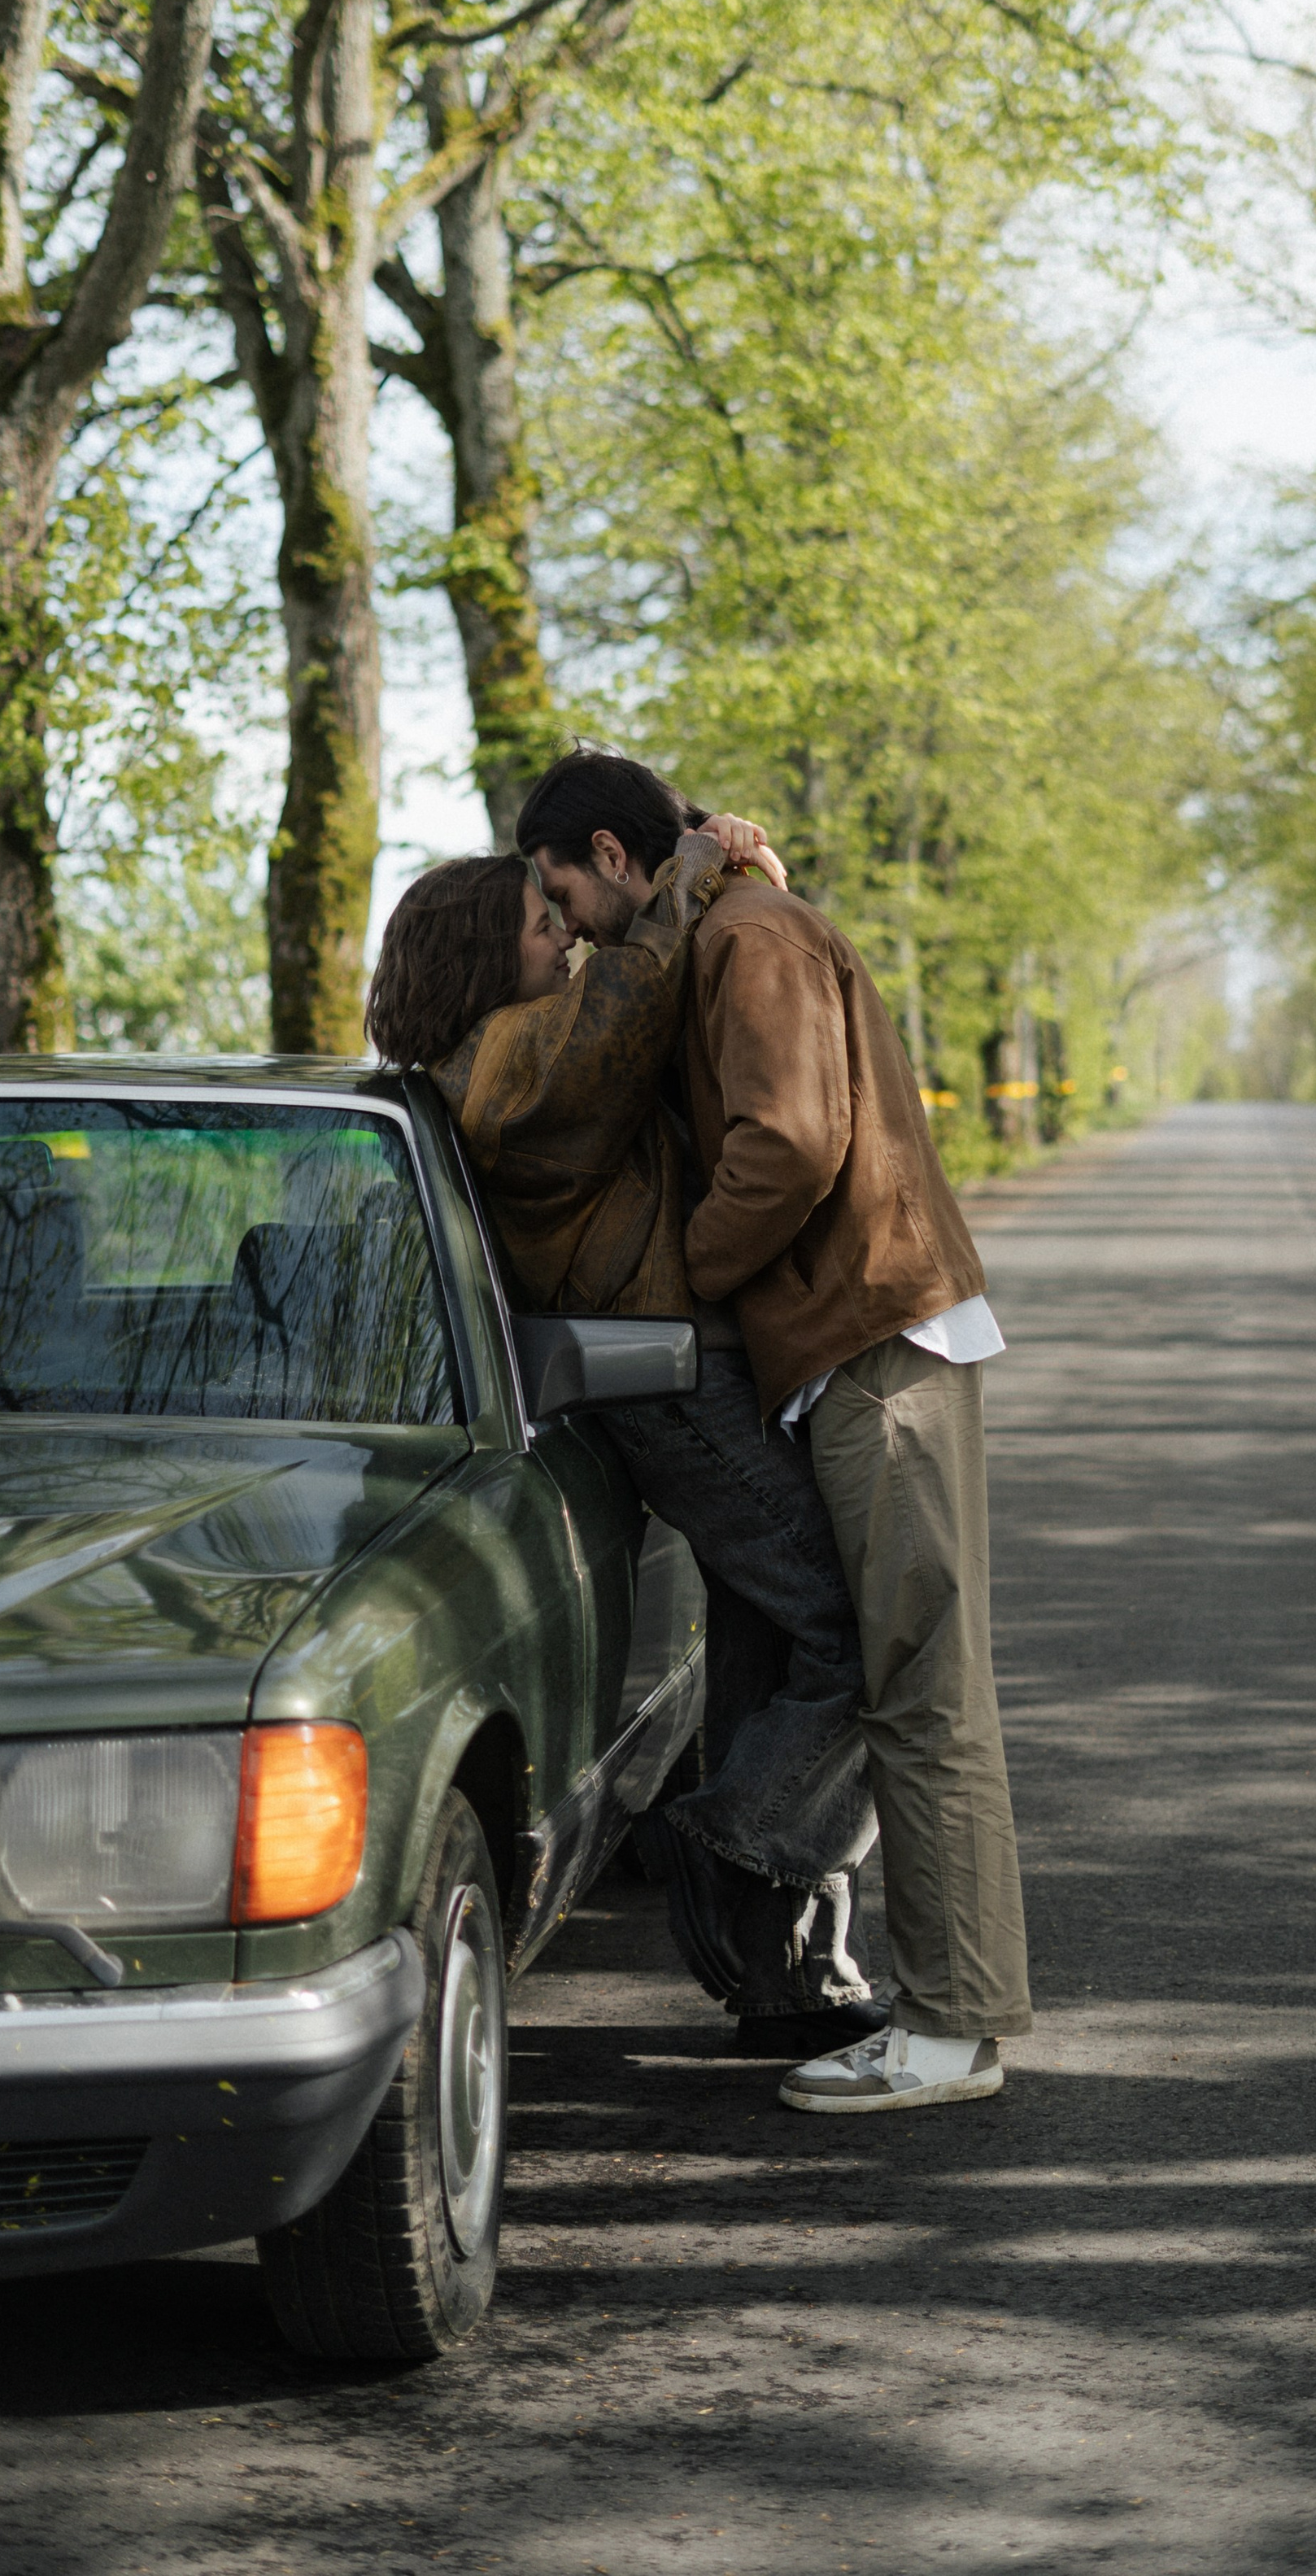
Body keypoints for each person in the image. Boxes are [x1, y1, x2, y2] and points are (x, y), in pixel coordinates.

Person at [517, 749, 1032, 2117]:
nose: (563, 925)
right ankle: (925, 2011)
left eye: (565, 894)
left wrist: (676, 1275)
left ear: (619, 857)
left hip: (877, 1341)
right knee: (908, 1678)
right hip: (847, 1345)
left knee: (921, 1689)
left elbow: (793, 1145)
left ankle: (950, 2031)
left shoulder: (752, 938)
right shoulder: (735, 930)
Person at [364, 822, 885, 2060]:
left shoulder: (505, 1048)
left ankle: (783, 1979)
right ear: (488, 953)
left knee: (766, 1635)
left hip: (690, 1369)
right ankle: (731, 1840)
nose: (570, 937)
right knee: (862, 1626)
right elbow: (636, 994)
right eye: (544, 924)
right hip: (668, 1386)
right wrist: (693, 868)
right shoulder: (504, 1061)